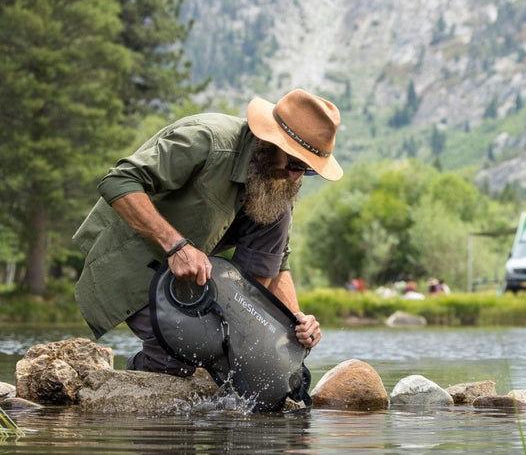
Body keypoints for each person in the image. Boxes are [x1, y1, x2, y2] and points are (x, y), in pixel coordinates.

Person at [73, 89, 343, 376]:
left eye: (307, 170)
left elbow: (277, 262)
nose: (296, 176)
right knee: (186, 353)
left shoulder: (275, 186)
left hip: (187, 278)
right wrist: (176, 246)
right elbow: (118, 180)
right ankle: (125, 380)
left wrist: (294, 321)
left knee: (248, 359)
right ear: (269, 140)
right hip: (128, 252)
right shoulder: (205, 140)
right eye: (293, 163)